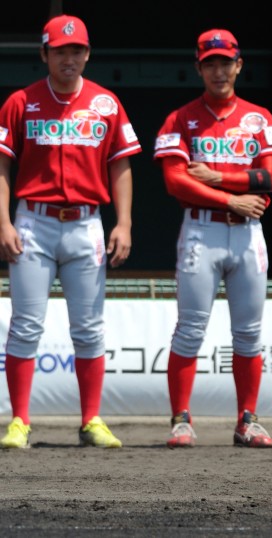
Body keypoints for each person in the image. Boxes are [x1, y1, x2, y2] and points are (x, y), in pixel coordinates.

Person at [0, 15, 140, 448]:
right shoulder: (20, 101)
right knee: (25, 325)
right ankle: (19, 421)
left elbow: (121, 164)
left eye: (76, 50)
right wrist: (3, 221)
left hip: (86, 222)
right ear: (44, 54)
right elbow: (2, 164)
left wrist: (124, 222)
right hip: (34, 220)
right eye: (60, 51)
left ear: (88, 54)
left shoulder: (107, 103)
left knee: (89, 327)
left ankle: (91, 419)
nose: (69, 58)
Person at [153, 29, 272, 448]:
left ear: (239, 65)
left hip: (247, 232)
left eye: (225, 62)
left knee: (249, 332)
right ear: (198, 68)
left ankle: (248, 419)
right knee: (190, 329)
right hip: (202, 228)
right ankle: (181, 420)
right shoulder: (180, 118)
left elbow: (268, 178)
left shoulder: (260, 117)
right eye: (210, 63)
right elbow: (175, 181)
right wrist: (232, 197)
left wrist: (215, 176)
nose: (218, 71)